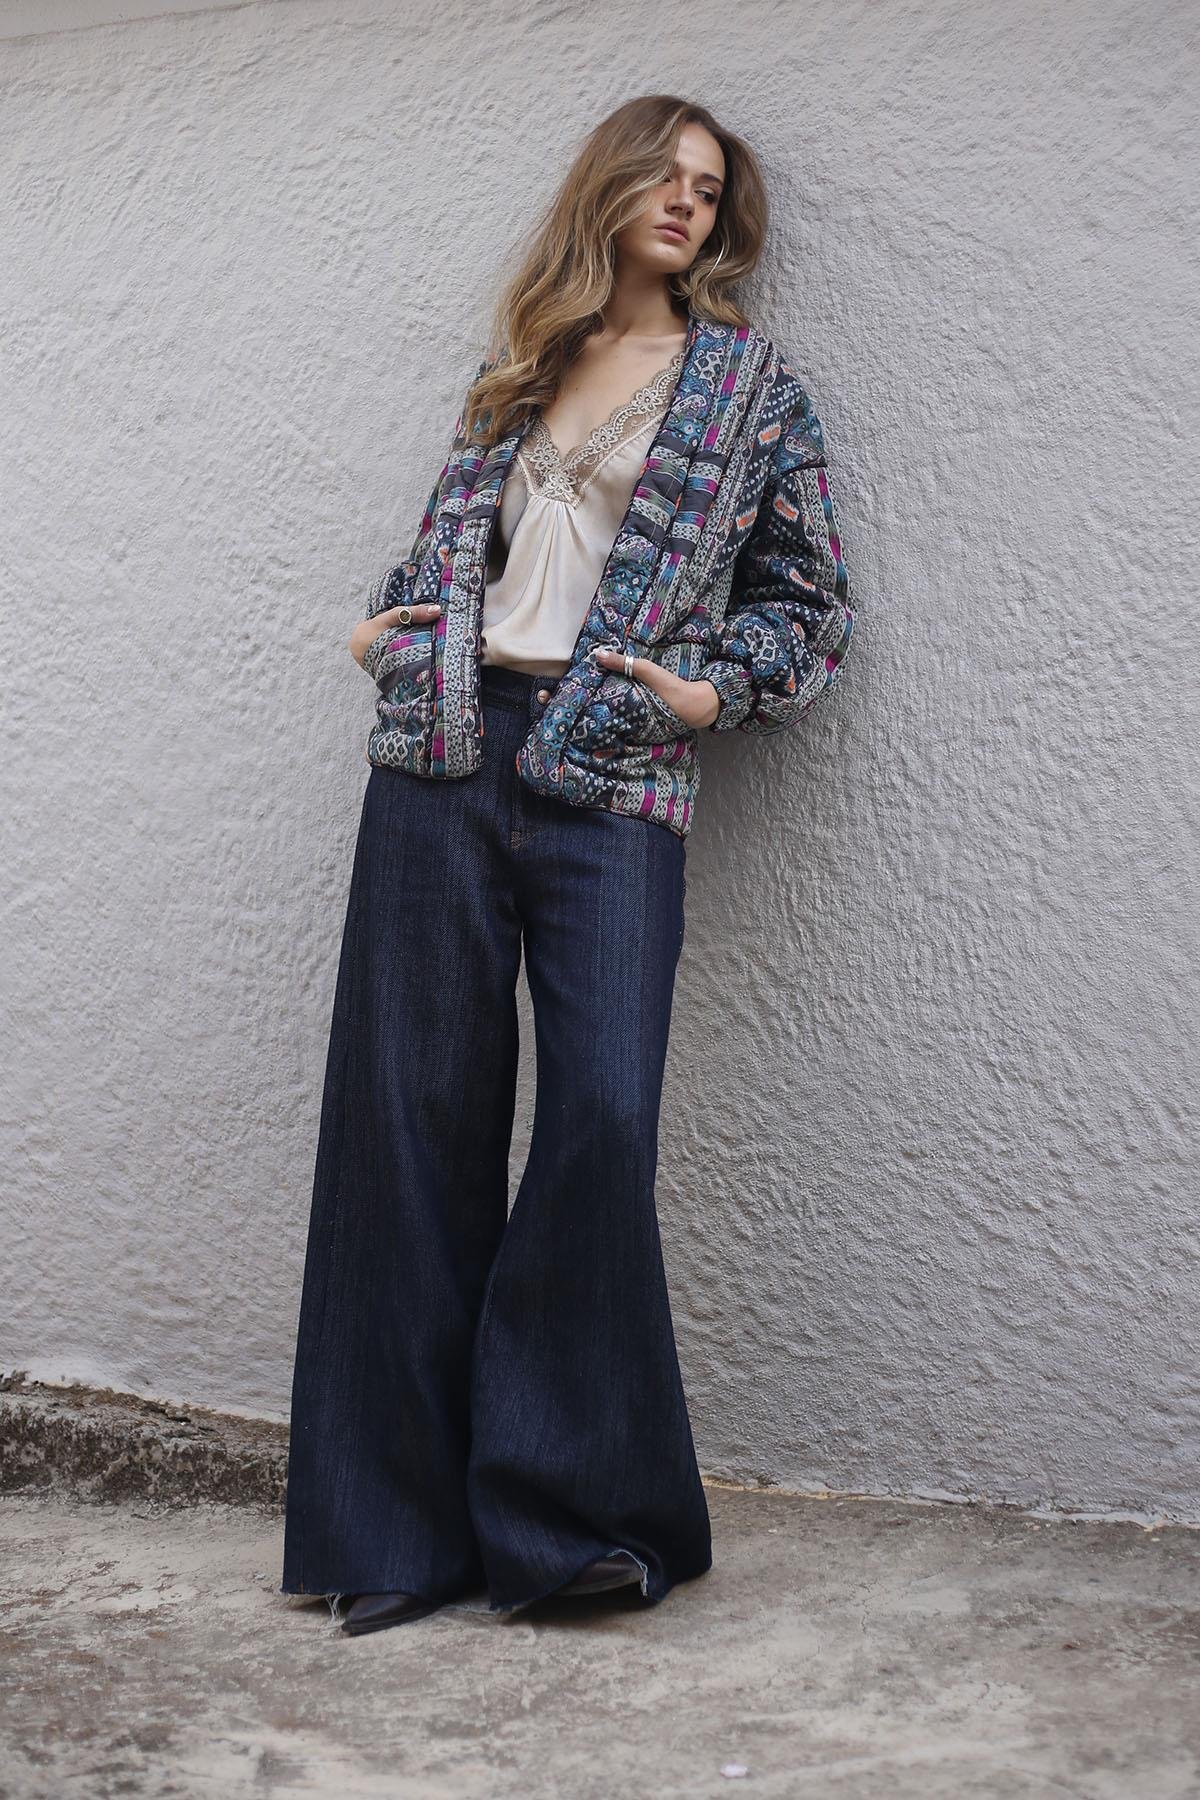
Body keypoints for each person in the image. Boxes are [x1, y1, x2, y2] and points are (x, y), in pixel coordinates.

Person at [280, 93, 856, 1637]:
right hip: (442, 760)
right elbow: (457, 558)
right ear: (608, 185)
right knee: (408, 1121)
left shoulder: (748, 393)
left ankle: (569, 1519)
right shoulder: (521, 368)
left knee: (599, 1116)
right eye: (664, 176)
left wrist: (708, 694)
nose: (685, 203)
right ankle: (392, 1537)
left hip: (617, 777)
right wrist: (387, 632)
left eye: (709, 190)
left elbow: (814, 604)